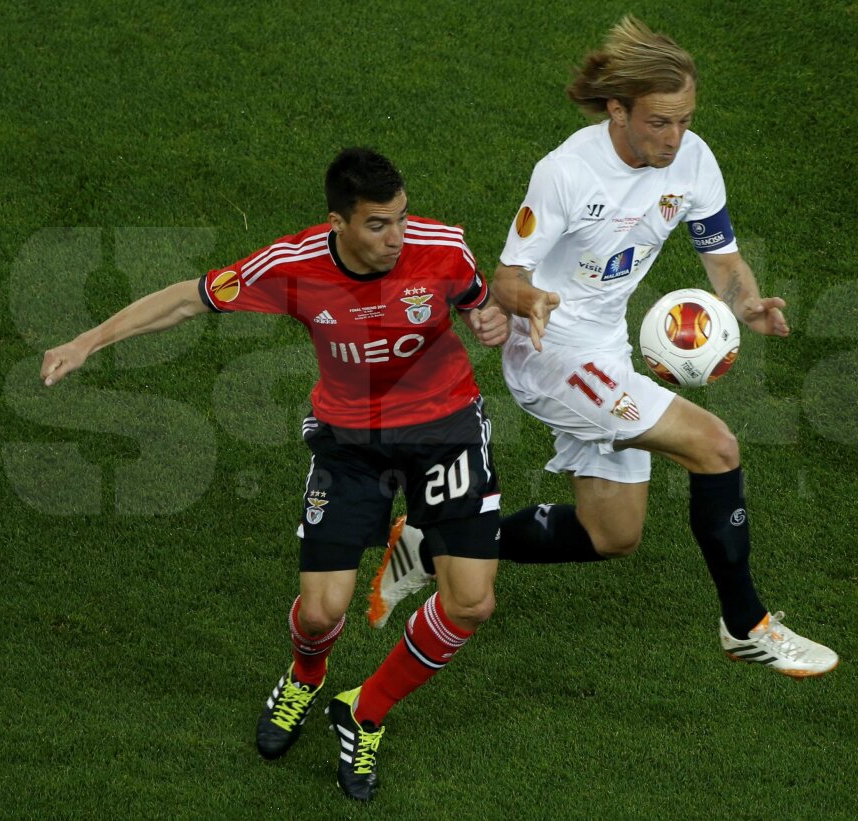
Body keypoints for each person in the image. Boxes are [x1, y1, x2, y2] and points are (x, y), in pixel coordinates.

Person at [369, 17, 837, 678]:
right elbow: (507, 277)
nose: (674, 137)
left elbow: (723, 259)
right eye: (659, 122)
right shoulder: (566, 173)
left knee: (612, 534)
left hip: (606, 348)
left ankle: (431, 541)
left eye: (685, 120)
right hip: (550, 353)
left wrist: (746, 303)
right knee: (715, 445)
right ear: (618, 110)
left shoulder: (693, 160)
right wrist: (531, 300)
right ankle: (745, 624)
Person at [40, 148, 509, 801]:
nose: (396, 238)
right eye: (378, 224)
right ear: (338, 222)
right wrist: (87, 341)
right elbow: (187, 300)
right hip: (350, 443)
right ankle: (306, 676)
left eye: (402, 218)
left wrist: (490, 318)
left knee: (472, 602)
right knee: (319, 614)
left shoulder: (443, 247)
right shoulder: (291, 265)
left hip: (445, 429)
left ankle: (364, 710)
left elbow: (481, 302)